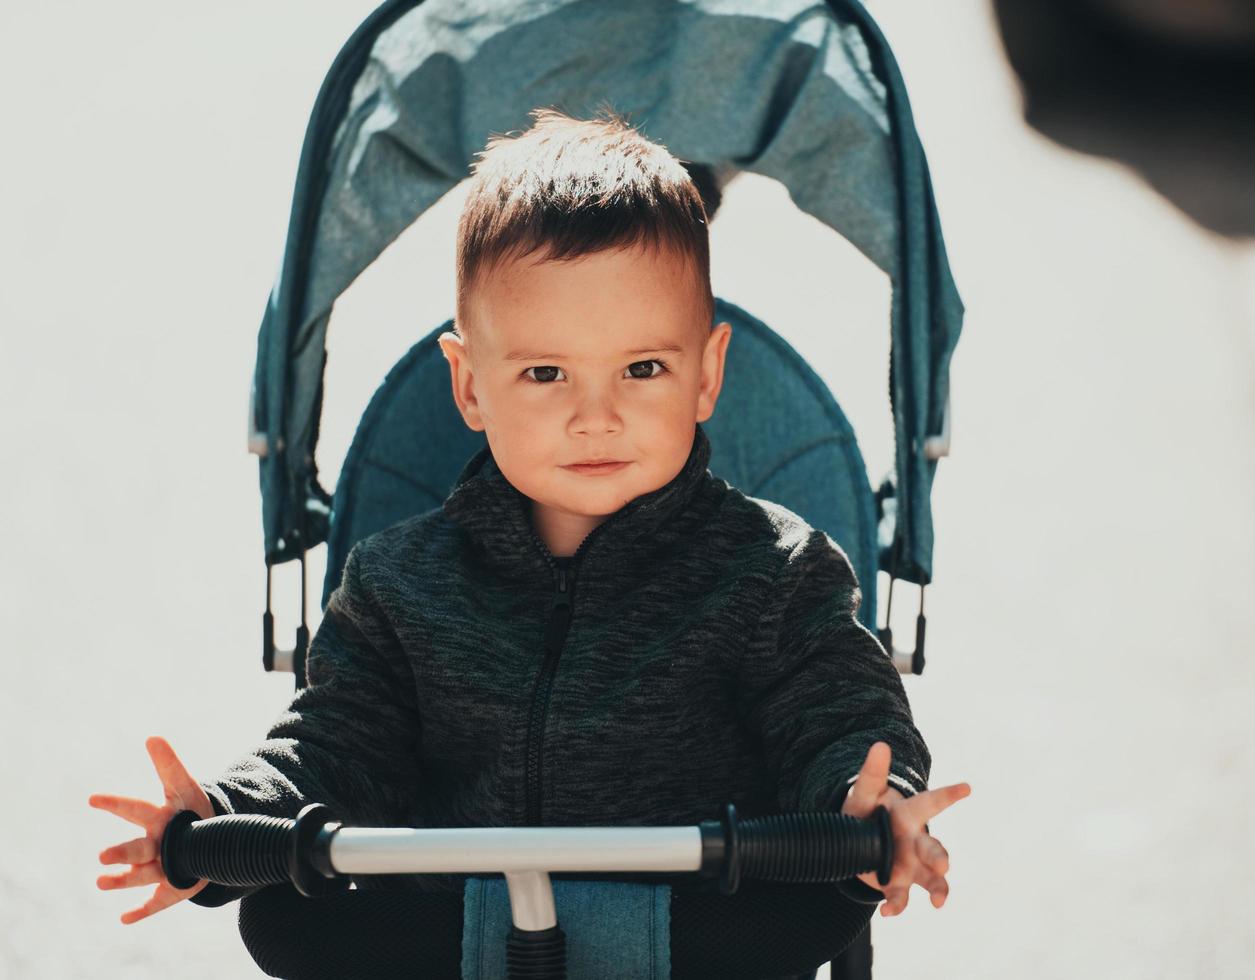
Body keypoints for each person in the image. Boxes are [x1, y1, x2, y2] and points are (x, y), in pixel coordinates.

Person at [90, 107, 970, 977]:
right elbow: (336, 743)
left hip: (699, 934)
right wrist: (232, 817)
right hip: (453, 934)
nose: (597, 415)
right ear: (471, 387)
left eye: (643, 369)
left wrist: (871, 803)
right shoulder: (399, 582)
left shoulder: (773, 571)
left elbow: (839, 714)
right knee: (283, 915)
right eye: (545, 373)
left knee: (821, 891)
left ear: (706, 375)